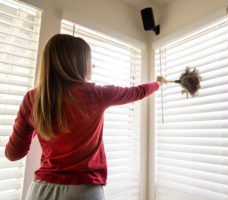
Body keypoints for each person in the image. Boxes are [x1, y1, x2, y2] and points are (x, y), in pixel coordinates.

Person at [5, 34, 166, 200]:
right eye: (90, 60)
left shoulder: (32, 99)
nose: (93, 65)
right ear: (78, 64)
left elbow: (13, 154)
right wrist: (158, 84)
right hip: (83, 192)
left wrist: (37, 119)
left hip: (40, 192)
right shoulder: (96, 94)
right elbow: (136, 92)